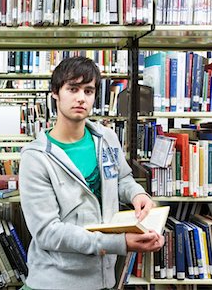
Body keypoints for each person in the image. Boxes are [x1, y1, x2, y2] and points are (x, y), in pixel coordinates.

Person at [19, 56, 165, 289]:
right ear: (55, 92)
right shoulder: (36, 158)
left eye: (88, 91)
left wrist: (138, 195)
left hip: (104, 278)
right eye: (72, 89)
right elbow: (47, 233)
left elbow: (122, 179)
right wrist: (121, 243)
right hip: (56, 280)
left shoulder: (106, 138)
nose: (80, 98)